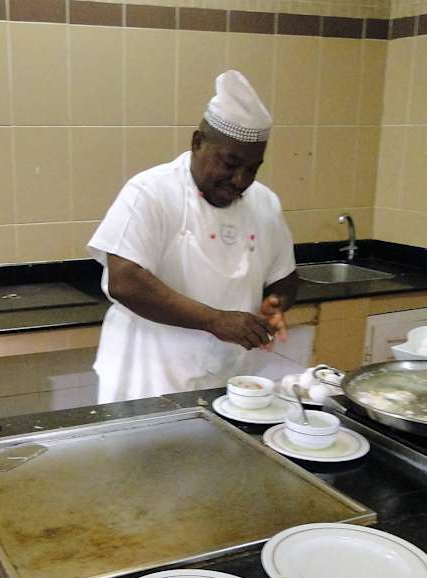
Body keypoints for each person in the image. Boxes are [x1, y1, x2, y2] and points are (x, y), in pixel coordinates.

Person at [87, 70, 299, 403]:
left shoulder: (265, 203)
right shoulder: (150, 192)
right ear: (197, 142)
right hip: (147, 378)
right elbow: (124, 282)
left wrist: (276, 303)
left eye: (253, 168)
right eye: (229, 163)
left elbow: (285, 278)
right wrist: (216, 320)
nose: (240, 180)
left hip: (227, 379)